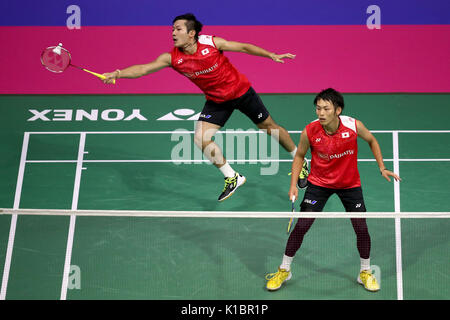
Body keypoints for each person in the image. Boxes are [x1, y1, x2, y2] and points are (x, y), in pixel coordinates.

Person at [102, 13, 309, 202]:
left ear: (192, 33)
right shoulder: (172, 58)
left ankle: (301, 161)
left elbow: (244, 47)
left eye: (178, 29)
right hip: (217, 101)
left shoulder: (211, 43)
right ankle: (232, 177)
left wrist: (270, 54)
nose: (173, 33)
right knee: (200, 138)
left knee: (269, 127)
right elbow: (143, 69)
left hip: (242, 92)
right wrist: (118, 73)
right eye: (172, 29)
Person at [266, 88, 401, 292]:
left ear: (337, 110)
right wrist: (293, 184)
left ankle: (364, 271)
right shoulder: (310, 130)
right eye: (318, 108)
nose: (320, 113)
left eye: (326, 108)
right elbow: (300, 156)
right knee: (301, 227)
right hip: (319, 184)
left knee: (361, 228)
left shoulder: (353, 126)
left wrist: (381, 167)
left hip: (349, 184)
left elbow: (372, 140)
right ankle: (284, 269)